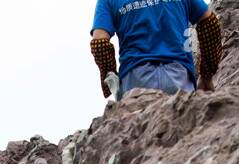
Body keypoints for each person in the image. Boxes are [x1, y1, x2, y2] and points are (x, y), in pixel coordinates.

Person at [90, 0, 226, 101]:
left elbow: (100, 43)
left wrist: (111, 80)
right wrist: (207, 74)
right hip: (179, 77)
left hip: (135, 82)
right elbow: (210, 22)